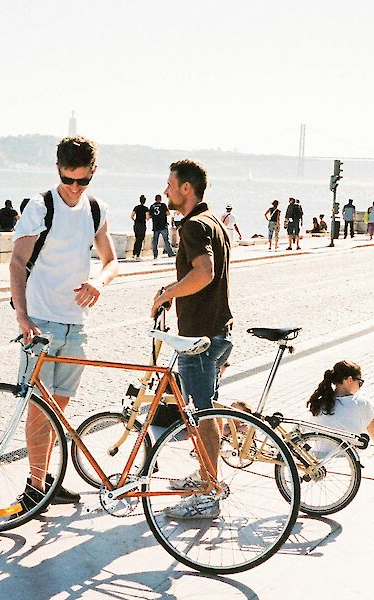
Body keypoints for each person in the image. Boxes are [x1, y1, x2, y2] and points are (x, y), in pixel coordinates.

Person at [10, 135, 117, 510]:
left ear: (93, 172)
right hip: (41, 322)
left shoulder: (95, 209)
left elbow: (111, 261)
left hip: (76, 325)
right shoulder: (41, 207)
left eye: (82, 180)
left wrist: (98, 282)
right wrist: (22, 316)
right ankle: (34, 488)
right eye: (68, 179)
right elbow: (17, 262)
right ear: (58, 169)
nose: (74, 187)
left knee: (58, 411)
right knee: (40, 409)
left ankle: (46, 485)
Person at [151, 159, 233, 519]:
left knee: (203, 413)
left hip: (199, 337)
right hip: (217, 330)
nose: (166, 190)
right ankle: (204, 474)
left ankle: (209, 493)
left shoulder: (194, 226)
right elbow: (206, 276)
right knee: (207, 408)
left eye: (170, 185)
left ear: (186, 188)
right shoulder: (213, 222)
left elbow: (205, 273)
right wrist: (173, 291)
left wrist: (168, 293)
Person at [307, 360, 374, 454]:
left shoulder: (319, 402)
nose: (360, 386)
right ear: (350, 380)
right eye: (360, 382)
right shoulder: (362, 404)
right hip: (346, 461)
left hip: (316, 461)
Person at [149, 194, 174, 259]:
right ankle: (170, 253)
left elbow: (149, 216)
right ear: (160, 199)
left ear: (155, 199)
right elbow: (168, 213)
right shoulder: (163, 205)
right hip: (163, 225)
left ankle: (155, 255)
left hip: (155, 226)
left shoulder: (152, 206)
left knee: (155, 241)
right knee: (166, 240)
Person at [131, 195, 148, 259]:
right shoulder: (146, 208)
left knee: (137, 239)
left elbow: (131, 216)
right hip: (142, 225)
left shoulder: (136, 207)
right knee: (140, 240)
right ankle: (138, 255)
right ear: (145, 201)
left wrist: (135, 220)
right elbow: (147, 217)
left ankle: (133, 254)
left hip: (136, 225)